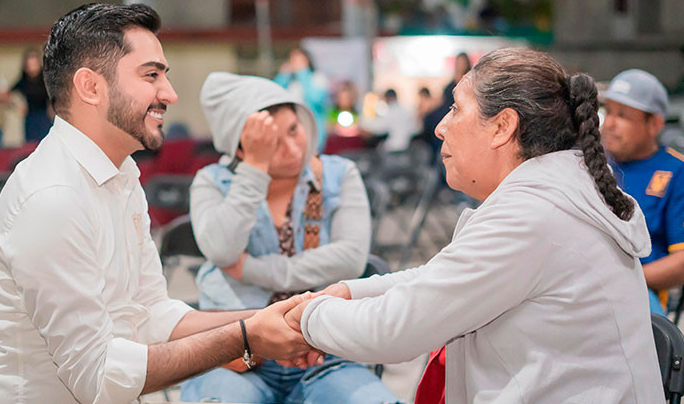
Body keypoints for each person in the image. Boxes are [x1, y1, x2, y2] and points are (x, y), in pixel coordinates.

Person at [0, 3, 317, 404]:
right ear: (90, 87)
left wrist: (272, 320)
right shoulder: (51, 198)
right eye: (152, 75)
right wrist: (246, 338)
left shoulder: (122, 172)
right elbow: (99, 379)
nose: (170, 93)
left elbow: (149, 315)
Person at [286, 48, 664, 403]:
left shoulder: (531, 215)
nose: (441, 127)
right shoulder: (554, 193)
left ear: (502, 126)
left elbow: (397, 327)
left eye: (456, 108)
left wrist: (302, 319)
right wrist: (348, 293)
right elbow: (440, 278)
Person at [180, 72, 398, 404]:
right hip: (239, 359)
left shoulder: (338, 175)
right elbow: (223, 251)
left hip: (326, 353)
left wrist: (254, 269)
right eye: (272, 142)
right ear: (241, 146)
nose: (293, 148)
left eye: (294, 130)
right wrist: (253, 170)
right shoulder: (214, 182)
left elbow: (350, 258)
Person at [601, 69, 684, 315]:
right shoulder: (589, 161)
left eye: (624, 115)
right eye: (610, 112)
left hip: (641, 302)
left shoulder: (675, 171)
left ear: (654, 124)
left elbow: (681, 261)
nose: (611, 124)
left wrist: (619, 281)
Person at [274, 48, 330, 151]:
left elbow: (316, 99)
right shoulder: (289, 79)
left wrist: (303, 73)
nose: (296, 63)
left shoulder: (317, 78)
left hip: (311, 128)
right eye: (293, 60)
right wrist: (283, 76)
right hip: (289, 127)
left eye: (300, 60)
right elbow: (275, 95)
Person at [422, 53, 471, 163]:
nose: (459, 65)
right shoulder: (451, 83)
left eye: (461, 62)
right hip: (447, 111)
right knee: (430, 119)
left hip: (460, 115)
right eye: (458, 62)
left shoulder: (471, 82)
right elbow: (442, 99)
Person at [12, 48, 52, 142]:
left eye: (35, 64)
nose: (33, 68)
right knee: (31, 144)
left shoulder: (46, 80)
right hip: (30, 118)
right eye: (30, 65)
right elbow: (11, 94)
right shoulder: (23, 81)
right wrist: (18, 104)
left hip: (44, 117)